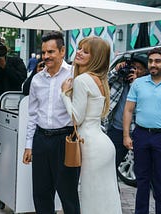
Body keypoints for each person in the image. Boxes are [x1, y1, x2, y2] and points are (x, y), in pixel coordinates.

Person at [61, 36, 122, 213]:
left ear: (96, 57)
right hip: (102, 143)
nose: (79, 52)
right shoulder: (99, 79)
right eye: (79, 48)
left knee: (91, 199)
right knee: (107, 198)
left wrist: (64, 94)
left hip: (92, 145)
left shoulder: (82, 80)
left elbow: (76, 118)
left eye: (86, 51)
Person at [22, 31, 80, 214]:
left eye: (51, 52)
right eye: (44, 52)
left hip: (65, 140)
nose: (46, 56)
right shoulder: (37, 79)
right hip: (40, 140)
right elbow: (32, 114)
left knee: (68, 194)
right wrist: (28, 145)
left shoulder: (74, 76)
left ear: (62, 51)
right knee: (41, 193)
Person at [123, 47, 161, 214]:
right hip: (141, 135)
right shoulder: (139, 83)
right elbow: (128, 110)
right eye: (151, 61)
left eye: (158, 61)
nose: (153, 64)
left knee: (160, 180)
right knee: (142, 179)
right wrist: (126, 135)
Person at [102, 55, 148, 176]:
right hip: (116, 129)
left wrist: (136, 83)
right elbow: (103, 81)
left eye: (140, 69)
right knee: (108, 167)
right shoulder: (121, 79)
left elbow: (143, 105)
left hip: (138, 132)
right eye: (134, 67)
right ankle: (112, 193)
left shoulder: (146, 85)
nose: (135, 71)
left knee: (143, 170)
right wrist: (116, 70)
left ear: (146, 72)